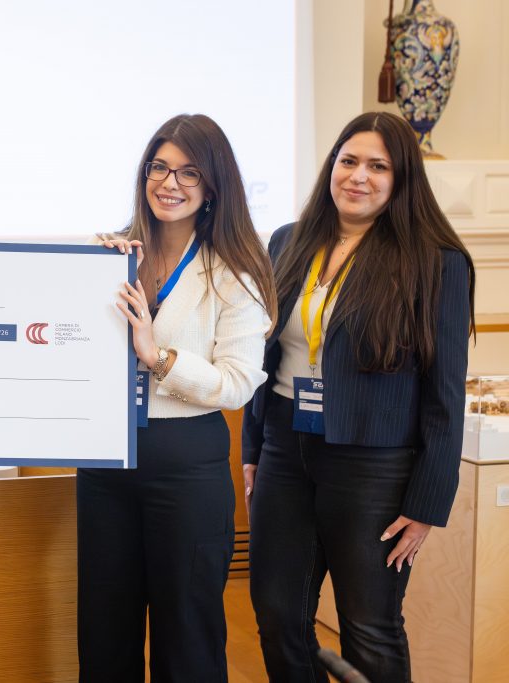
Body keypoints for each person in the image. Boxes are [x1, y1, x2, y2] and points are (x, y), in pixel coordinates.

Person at [242, 111, 474, 683]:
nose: (358, 176)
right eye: (348, 161)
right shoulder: (289, 241)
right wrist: (254, 447)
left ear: (402, 178)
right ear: (332, 167)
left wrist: (427, 503)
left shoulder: (436, 261)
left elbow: (445, 396)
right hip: (285, 448)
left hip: (375, 464)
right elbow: (262, 354)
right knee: (277, 614)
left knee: (369, 625)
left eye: (378, 166)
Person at [78, 113, 277, 682]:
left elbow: (238, 383)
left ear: (213, 186)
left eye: (189, 173)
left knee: (187, 638)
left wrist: (157, 356)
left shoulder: (235, 270)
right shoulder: (109, 254)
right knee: (103, 634)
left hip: (187, 465)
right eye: (159, 168)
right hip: (106, 461)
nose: (170, 183)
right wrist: (91, 277)